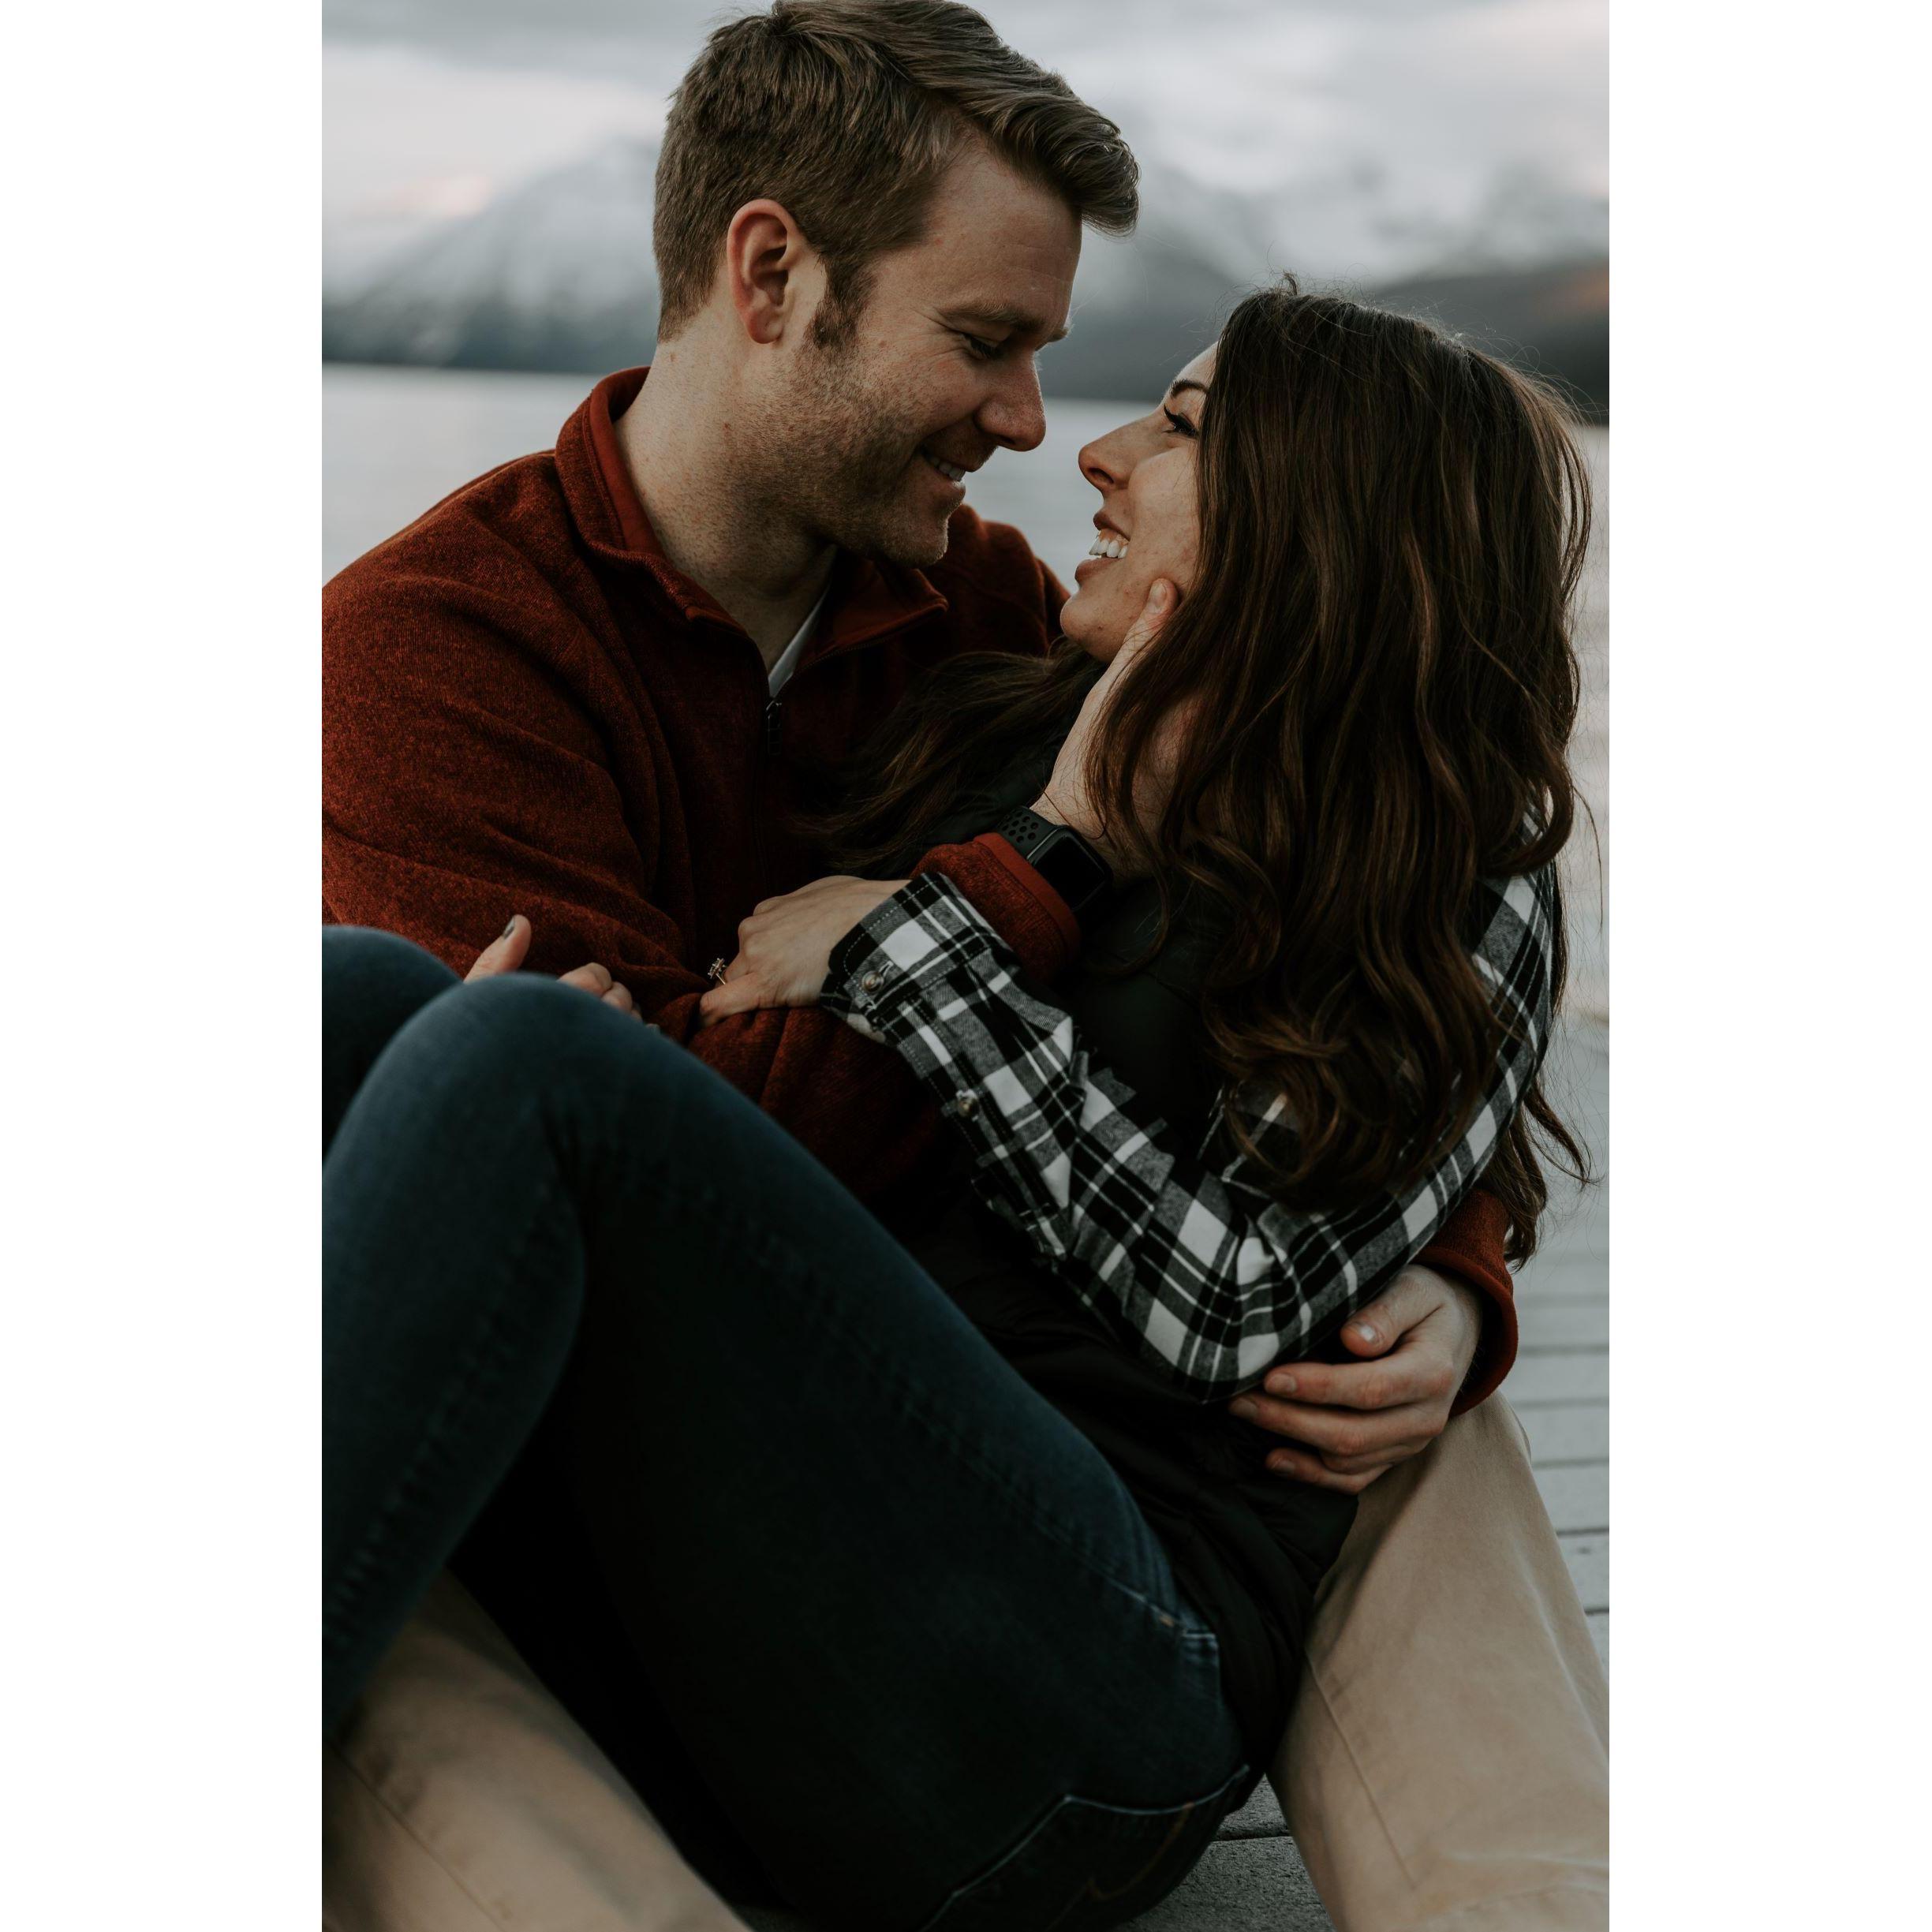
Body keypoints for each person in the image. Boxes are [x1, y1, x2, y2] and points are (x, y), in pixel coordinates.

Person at [323, 5, 1607, 1927]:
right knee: (360, 1010)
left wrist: (1456, 1264)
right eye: (989, 340)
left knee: (1385, 1392)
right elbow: (626, 1186)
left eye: (1096, 381)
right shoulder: (438, 649)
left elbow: (1376, 1047)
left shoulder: (982, 620)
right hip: (731, 1497)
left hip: (1040, 1602)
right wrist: (1024, 879)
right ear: (774, 276)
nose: (1038, 431)